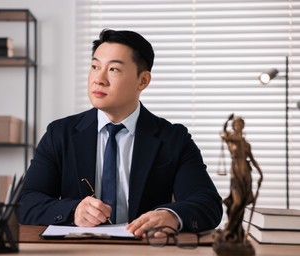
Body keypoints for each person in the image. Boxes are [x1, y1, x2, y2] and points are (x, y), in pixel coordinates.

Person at [18, 29, 223, 236]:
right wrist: (73, 211)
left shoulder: (173, 139)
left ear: (142, 81)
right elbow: (26, 202)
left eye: (114, 69)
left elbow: (208, 203)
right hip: (77, 251)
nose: (99, 79)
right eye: (95, 66)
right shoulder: (60, 134)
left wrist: (172, 215)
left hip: (144, 251)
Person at [221, 114, 263, 242]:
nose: (238, 126)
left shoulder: (246, 144)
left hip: (246, 176)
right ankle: (230, 227)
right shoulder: (232, 140)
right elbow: (224, 133)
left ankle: (238, 229)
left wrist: (261, 173)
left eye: (240, 124)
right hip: (236, 175)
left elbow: (253, 160)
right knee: (237, 202)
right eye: (236, 124)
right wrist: (227, 121)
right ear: (234, 126)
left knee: (243, 204)